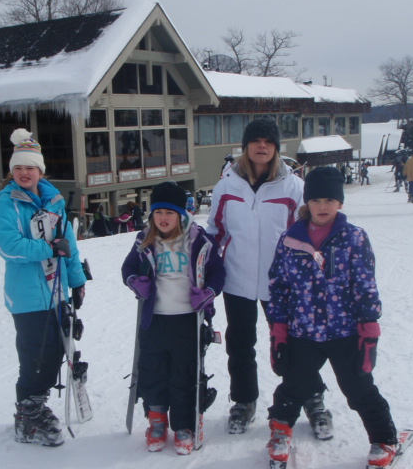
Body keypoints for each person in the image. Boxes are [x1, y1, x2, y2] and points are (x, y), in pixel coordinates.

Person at [206, 118, 331, 436]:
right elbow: (215, 231)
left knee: (294, 344)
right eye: (256, 141)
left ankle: (312, 399)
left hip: (282, 284)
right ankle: (244, 402)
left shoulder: (293, 187)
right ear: (245, 147)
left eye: (268, 142)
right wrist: (200, 260)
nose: (262, 146)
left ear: (276, 148)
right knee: (240, 343)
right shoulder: (227, 185)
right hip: (237, 280)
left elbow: (309, 233)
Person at [266, 167, 398, 468]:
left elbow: (365, 284)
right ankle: (280, 431)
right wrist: (280, 329)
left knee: (358, 387)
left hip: (345, 333)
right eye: (315, 200)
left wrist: (369, 327)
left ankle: (384, 438)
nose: (322, 206)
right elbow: (279, 286)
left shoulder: (354, 238)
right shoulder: (290, 240)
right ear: (307, 203)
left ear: (339, 202)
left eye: (329, 200)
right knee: (293, 387)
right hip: (303, 332)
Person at [0, 128, 87, 447]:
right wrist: (49, 249)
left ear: (40, 170)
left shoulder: (53, 199)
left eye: (29, 167)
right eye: (18, 168)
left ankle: (38, 403)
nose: (23, 173)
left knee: (57, 352)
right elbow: (8, 245)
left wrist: (77, 280)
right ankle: (27, 414)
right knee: (35, 356)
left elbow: (68, 242)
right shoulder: (7, 202)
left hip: (57, 291)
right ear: (12, 171)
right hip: (28, 296)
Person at [121, 182, 225, 455]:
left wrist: (208, 294)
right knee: (153, 372)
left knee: (183, 374)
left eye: (169, 212)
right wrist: (135, 281)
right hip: (154, 320)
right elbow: (128, 268)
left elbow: (217, 272)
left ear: (181, 214)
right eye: (158, 212)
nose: (163, 218)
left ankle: (183, 425)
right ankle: (157, 422)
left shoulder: (199, 241)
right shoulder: (144, 240)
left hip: (186, 321)